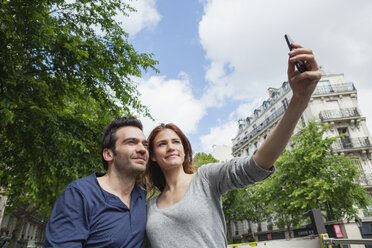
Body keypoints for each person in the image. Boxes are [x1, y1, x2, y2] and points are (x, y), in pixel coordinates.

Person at [144, 43, 322, 248]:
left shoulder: (206, 178)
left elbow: (256, 165)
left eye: (176, 141)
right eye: (162, 144)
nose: (171, 147)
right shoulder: (149, 206)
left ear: (185, 151)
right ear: (153, 156)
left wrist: (299, 99)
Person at [44, 117, 149, 248]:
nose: (142, 149)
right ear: (108, 154)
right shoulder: (79, 195)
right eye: (131, 142)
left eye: (145, 144)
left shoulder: (143, 193)